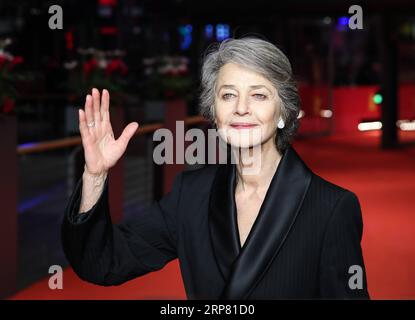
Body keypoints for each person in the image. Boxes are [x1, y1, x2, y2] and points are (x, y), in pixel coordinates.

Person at [61, 37, 369, 299]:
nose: (241, 108)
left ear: (283, 114)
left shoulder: (331, 208)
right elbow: (103, 263)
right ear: (214, 113)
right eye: (228, 95)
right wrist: (95, 175)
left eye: (259, 95)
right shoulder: (191, 193)